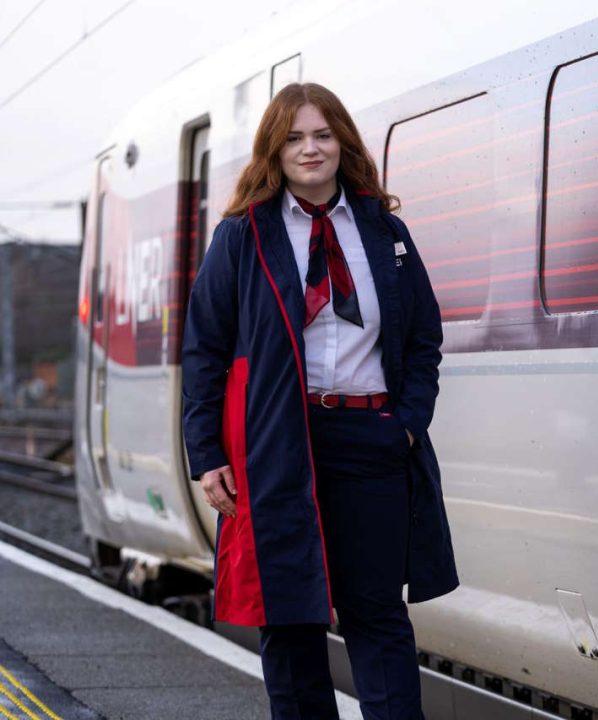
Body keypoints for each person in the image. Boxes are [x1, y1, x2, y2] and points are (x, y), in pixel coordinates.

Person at [181, 82, 457, 720]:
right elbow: (205, 350)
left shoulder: (384, 231)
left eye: (323, 135)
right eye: (296, 138)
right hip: (277, 443)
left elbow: (423, 338)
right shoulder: (242, 236)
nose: (311, 148)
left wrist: (407, 425)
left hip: (372, 442)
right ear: (274, 151)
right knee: (289, 619)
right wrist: (205, 454)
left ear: (343, 143)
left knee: (378, 616)